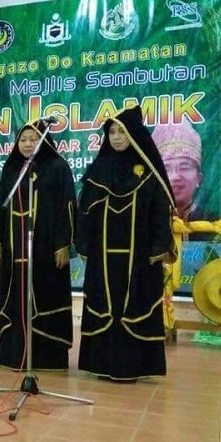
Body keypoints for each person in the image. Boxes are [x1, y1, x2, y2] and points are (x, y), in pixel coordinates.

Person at [76, 106, 175, 382]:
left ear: (134, 135)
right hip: (102, 258)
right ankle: (101, 365)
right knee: (104, 305)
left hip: (140, 259)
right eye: (112, 132)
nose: (117, 137)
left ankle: (134, 366)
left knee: (136, 305)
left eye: (122, 131)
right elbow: (84, 212)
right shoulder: (99, 170)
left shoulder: (149, 173)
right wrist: (82, 244)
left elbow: (160, 211)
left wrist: (159, 246)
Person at [0, 119, 77, 371]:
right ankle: (13, 353)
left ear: (44, 140)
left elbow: (68, 206)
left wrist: (63, 244)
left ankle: (46, 358)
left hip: (46, 250)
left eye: (33, 138)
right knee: (15, 296)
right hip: (14, 248)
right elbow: (0, 206)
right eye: (23, 139)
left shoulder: (58, 167)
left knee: (45, 296)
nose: (28, 144)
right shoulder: (12, 169)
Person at [152, 122, 219, 240]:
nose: (176, 176)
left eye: (184, 167)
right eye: (166, 169)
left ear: (198, 178)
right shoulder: (147, 221)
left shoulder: (212, 223)